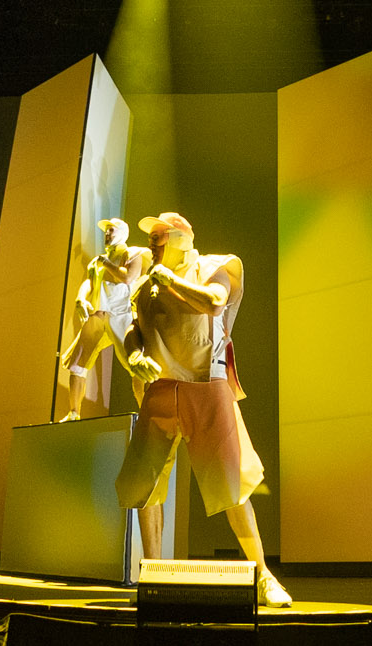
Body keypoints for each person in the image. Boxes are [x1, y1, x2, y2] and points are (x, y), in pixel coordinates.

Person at [113, 211, 290, 608]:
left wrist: (168, 279)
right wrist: (134, 354)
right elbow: (132, 328)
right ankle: (152, 576)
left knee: (232, 484)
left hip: (206, 386)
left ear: (182, 237)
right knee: (145, 484)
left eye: (161, 236)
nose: (154, 243)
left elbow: (213, 303)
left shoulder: (214, 267)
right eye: (153, 238)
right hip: (160, 388)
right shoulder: (147, 283)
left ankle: (262, 574)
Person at [53, 218, 147, 421]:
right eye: (106, 231)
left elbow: (128, 277)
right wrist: (80, 298)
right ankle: (73, 412)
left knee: (137, 366)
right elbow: (89, 281)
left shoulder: (132, 254)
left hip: (121, 316)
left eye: (111, 230)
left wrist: (106, 263)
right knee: (77, 364)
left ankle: (147, 413)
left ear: (122, 232)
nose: (107, 234)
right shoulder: (98, 260)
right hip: (97, 315)